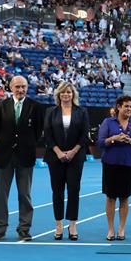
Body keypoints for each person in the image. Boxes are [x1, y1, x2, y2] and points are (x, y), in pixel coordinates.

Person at [0, 75, 43, 242]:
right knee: (1, 196)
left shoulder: (36, 107)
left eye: (24, 87)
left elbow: (38, 132)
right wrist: (4, 143)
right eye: (17, 87)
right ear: (11, 88)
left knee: (25, 195)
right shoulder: (0, 106)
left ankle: (24, 229)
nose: (21, 90)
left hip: (25, 157)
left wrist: (26, 144)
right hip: (4, 156)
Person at [42, 82, 90, 241]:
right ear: (58, 95)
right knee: (57, 191)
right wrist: (58, 152)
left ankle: (73, 224)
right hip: (55, 157)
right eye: (63, 92)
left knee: (74, 190)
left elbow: (84, 135)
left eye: (68, 92)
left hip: (75, 157)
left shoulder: (82, 112)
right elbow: (47, 134)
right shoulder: (51, 111)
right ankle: (58, 224)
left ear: (73, 94)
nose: (66, 95)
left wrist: (73, 152)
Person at [97, 95, 131, 241]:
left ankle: (121, 229)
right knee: (111, 197)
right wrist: (114, 138)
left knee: (124, 198)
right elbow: (100, 142)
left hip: (128, 164)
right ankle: (111, 229)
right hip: (110, 164)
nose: (129, 109)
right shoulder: (108, 122)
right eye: (126, 106)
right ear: (119, 107)